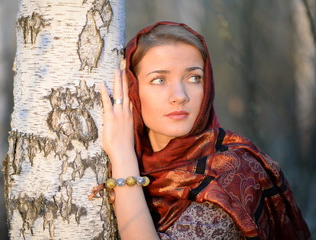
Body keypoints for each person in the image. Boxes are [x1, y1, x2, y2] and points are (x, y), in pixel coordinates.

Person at [98, 21, 310, 240]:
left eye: (194, 78)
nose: (180, 95)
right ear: (131, 89)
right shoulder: (140, 165)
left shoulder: (232, 172)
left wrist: (123, 158)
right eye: (159, 80)